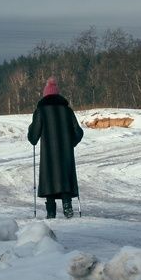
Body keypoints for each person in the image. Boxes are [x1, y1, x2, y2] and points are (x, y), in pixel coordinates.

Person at [28, 77, 83, 219]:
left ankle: (51, 211)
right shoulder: (67, 111)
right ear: (58, 95)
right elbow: (78, 132)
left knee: (50, 178)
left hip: (48, 156)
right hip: (66, 155)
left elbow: (33, 138)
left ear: (45, 95)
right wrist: (71, 143)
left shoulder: (41, 111)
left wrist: (31, 129)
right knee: (64, 177)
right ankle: (67, 206)